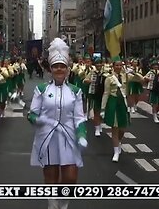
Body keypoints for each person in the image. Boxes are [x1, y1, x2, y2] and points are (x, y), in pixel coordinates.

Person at [28, 38, 87, 209]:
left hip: (69, 137)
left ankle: (64, 202)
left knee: (70, 176)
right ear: (51, 69)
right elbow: (32, 113)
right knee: (51, 174)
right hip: (47, 137)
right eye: (56, 66)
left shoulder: (76, 91)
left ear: (68, 69)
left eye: (62, 66)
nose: (59, 69)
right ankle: (53, 204)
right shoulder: (41, 90)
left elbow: (79, 117)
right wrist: (37, 120)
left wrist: (82, 134)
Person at [101, 56, 136, 162]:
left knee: (123, 128)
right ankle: (116, 151)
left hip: (123, 103)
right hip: (113, 102)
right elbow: (106, 93)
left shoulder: (126, 76)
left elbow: (140, 79)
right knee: (115, 128)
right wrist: (103, 108)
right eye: (117, 65)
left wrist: (133, 72)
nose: (119, 67)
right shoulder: (109, 78)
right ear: (113, 66)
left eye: (120, 65)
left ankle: (119, 141)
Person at [83, 57, 107, 137]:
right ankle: (97, 128)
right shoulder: (92, 73)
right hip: (95, 93)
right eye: (97, 63)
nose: (99, 65)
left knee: (102, 112)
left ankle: (99, 124)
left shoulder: (106, 72)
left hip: (104, 94)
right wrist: (91, 81)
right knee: (96, 111)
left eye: (100, 63)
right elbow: (85, 80)